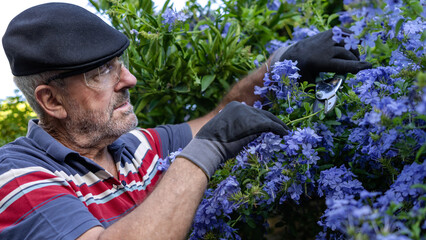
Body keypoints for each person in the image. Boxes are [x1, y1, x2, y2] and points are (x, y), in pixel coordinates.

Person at [0, 2, 371, 239]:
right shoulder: (18, 177)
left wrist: (281, 66)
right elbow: (210, 140)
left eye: (119, 64)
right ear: (52, 100)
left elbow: (218, 118)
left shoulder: (134, 146)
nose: (128, 80)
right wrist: (200, 157)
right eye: (101, 72)